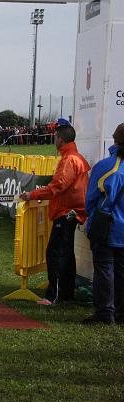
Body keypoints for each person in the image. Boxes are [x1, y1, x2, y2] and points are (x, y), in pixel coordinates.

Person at [19, 119, 90, 305]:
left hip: (66, 213)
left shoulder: (69, 160)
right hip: (71, 212)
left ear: (61, 139)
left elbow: (56, 187)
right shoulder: (76, 158)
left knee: (55, 253)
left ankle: (54, 296)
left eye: (55, 137)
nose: (53, 140)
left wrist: (32, 194)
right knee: (65, 253)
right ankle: (65, 293)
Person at [84, 123, 124, 325]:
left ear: (115, 140)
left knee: (104, 270)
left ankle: (105, 313)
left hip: (109, 227)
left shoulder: (106, 167)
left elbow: (90, 199)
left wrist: (93, 216)